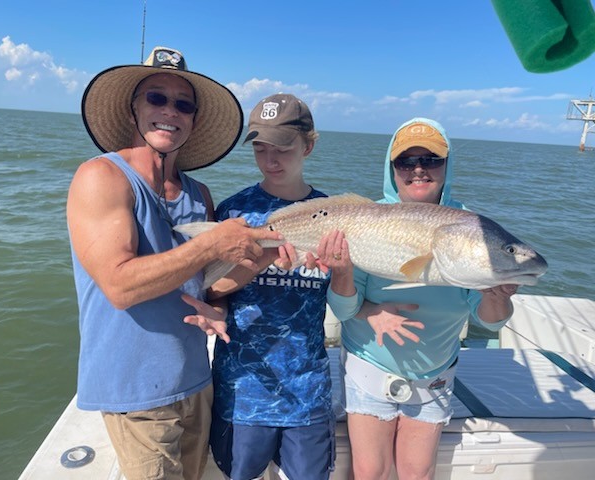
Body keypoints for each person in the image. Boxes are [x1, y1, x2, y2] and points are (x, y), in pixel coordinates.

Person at [66, 46, 283, 480]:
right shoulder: (101, 177)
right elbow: (119, 285)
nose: (170, 111)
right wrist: (212, 245)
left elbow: (202, 285)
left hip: (196, 382)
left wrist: (264, 262)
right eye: (156, 98)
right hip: (135, 392)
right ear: (134, 110)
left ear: (194, 121)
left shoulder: (199, 194)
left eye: (183, 104)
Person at [317, 118, 518, 480]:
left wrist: (496, 295)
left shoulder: (471, 227)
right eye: (406, 162)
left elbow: (489, 321)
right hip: (369, 363)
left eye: (431, 159)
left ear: (447, 165)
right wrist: (350, 282)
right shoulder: (366, 219)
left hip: (436, 372)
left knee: (417, 474)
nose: (418, 169)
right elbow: (344, 308)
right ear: (391, 169)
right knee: (370, 473)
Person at [206, 94, 335, 480]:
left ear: (308, 146)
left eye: (282, 148)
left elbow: (344, 293)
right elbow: (211, 290)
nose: (270, 160)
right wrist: (262, 256)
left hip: (308, 392)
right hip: (243, 391)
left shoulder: (333, 215)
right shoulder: (233, 213)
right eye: (260, 149)